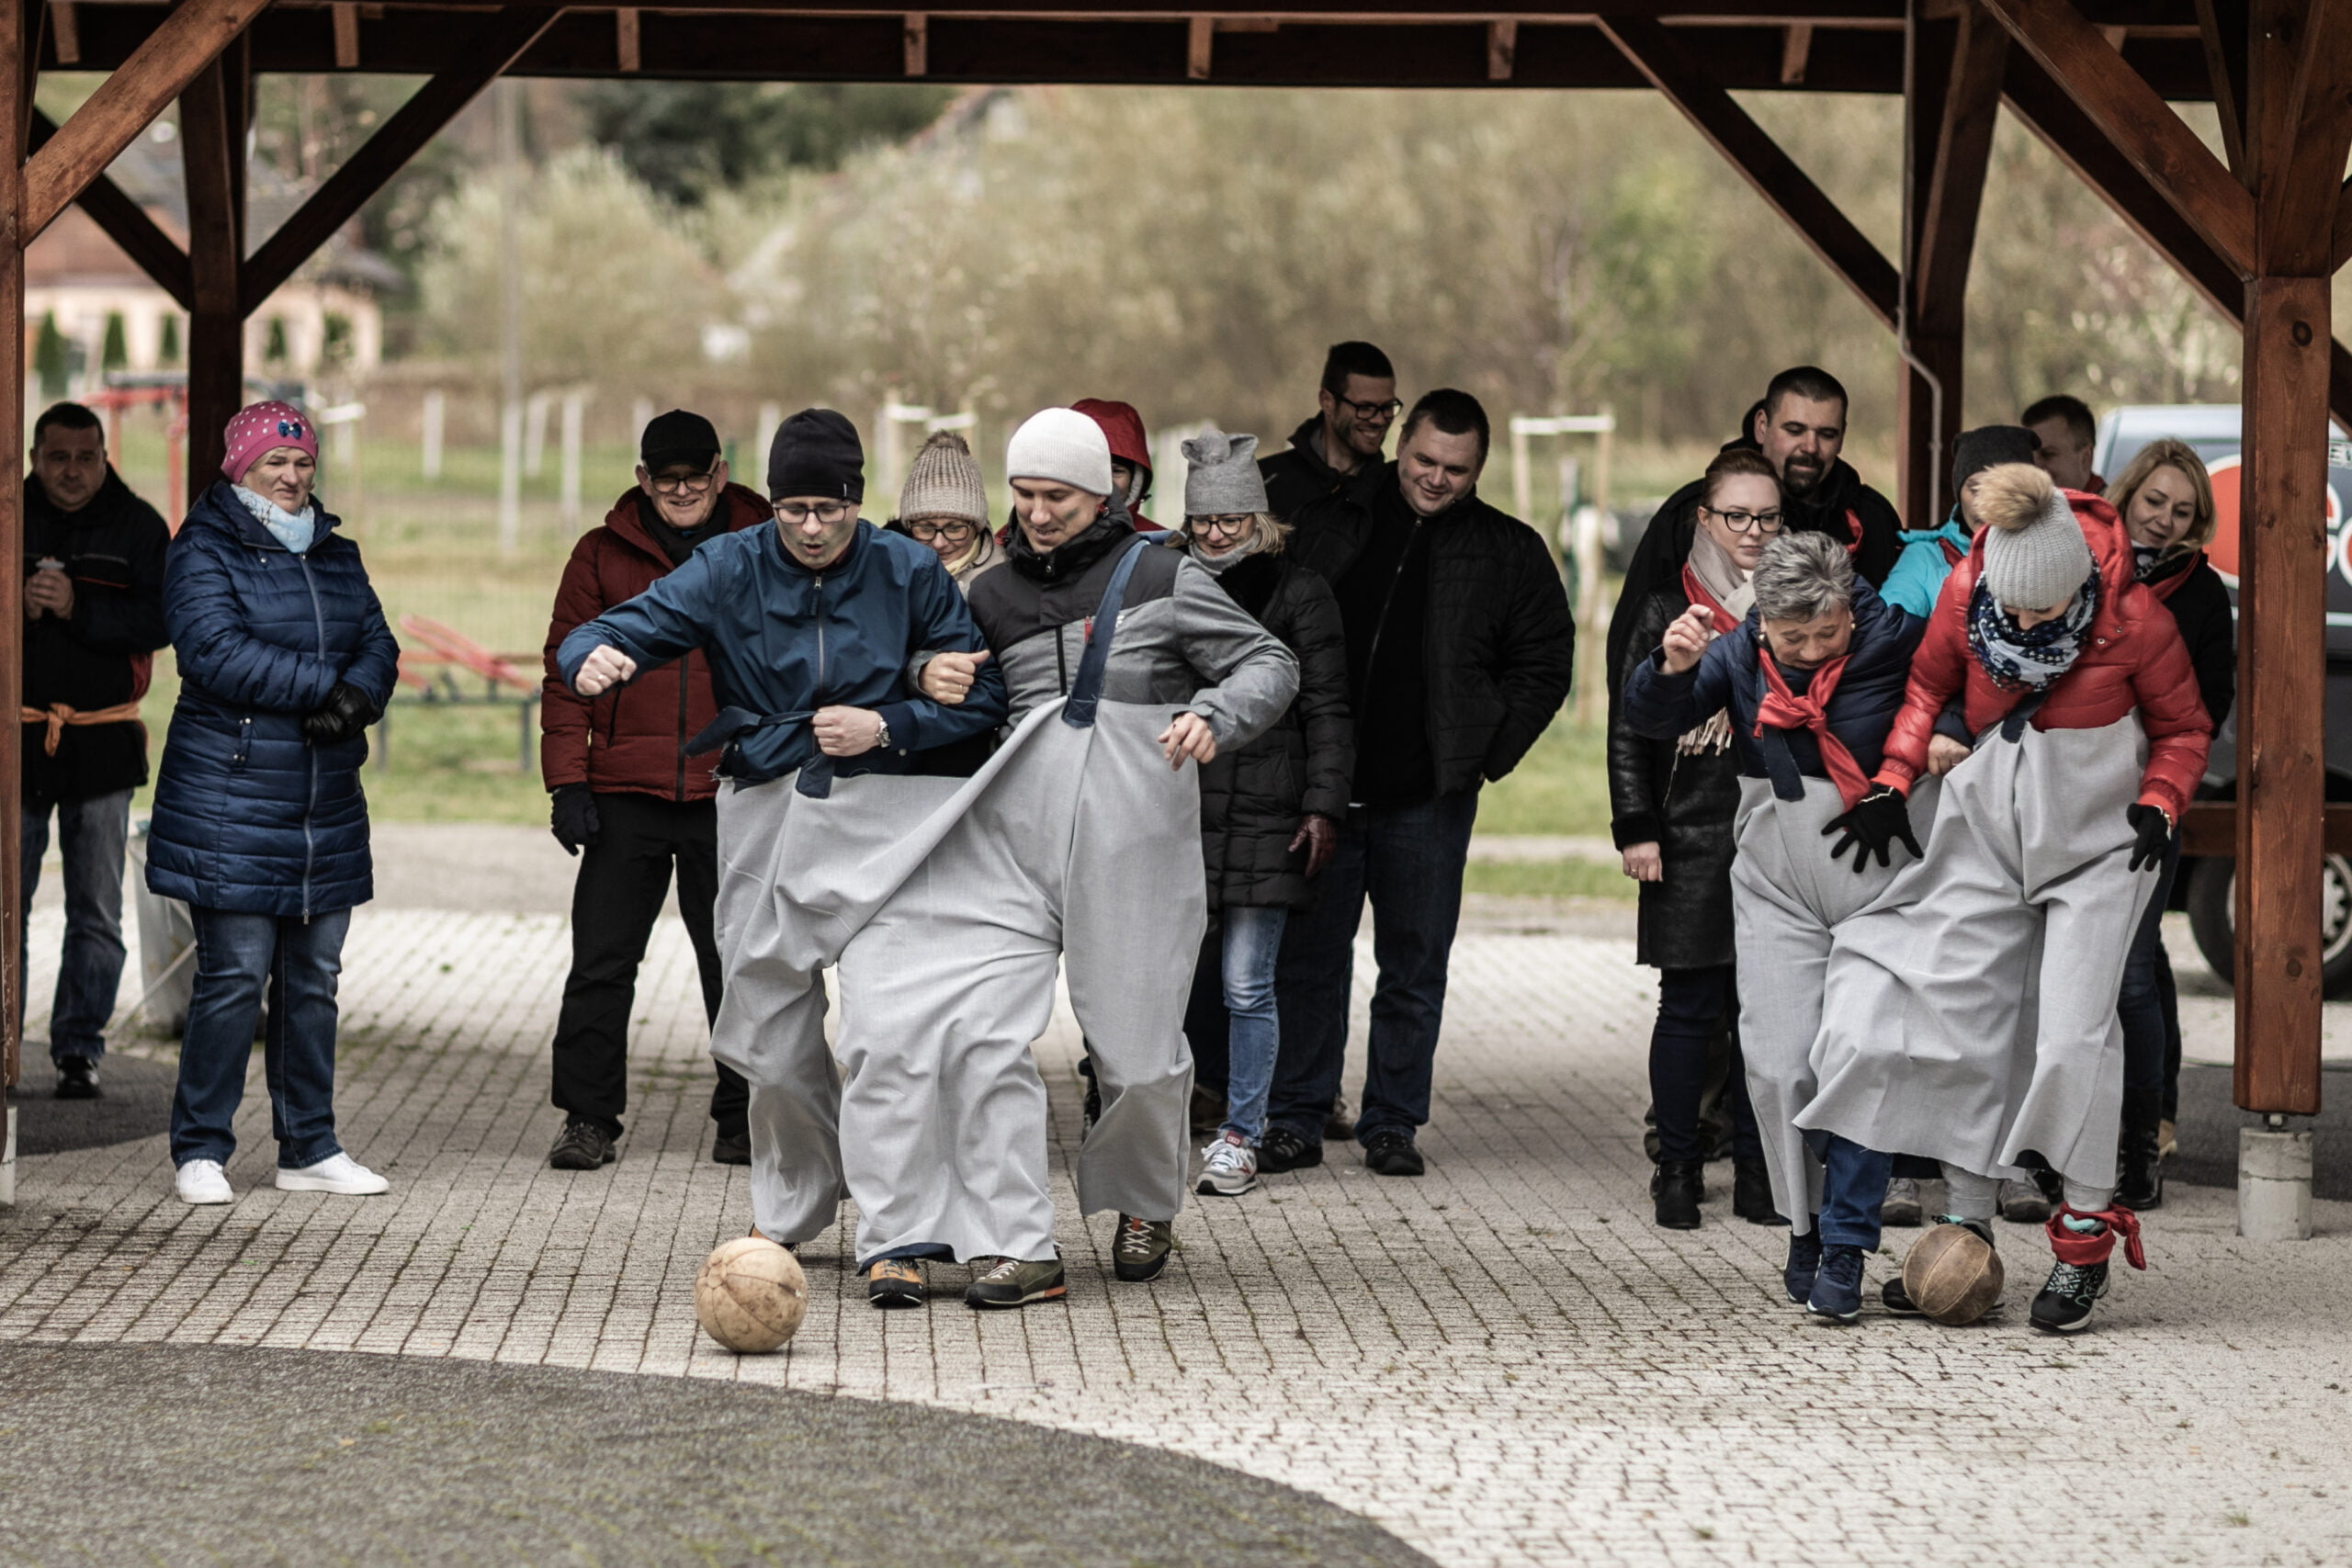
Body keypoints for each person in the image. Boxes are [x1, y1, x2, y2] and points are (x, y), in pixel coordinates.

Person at [559, 409, 1011, 1311]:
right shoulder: (726, 566)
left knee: (888, 1032)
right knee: (764, 1033)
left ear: (857, 503)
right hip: (765, 805)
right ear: (769, 505)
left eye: (829, 510)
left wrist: (889, 722)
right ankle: (800, 1201)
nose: (810, 528)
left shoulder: (907, 570)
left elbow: (984, 696)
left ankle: (898, 1232)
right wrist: (589, 660)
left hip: (888, 812)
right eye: (793, 508)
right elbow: (613, 628)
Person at [1798, 462, 2211, 1334]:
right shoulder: (1967, 584)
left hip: (2102, 843)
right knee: (1955, 1016)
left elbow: (2184, 728)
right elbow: (1928, 689)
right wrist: (1894, 776)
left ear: (2077, 593)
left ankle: (2085, 1239)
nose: (2020, 623)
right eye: (2008, 610)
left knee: (2072, 1037)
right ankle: (1966, 1216)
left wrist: (2161, 800)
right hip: (1992, 827)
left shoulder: (2137, 617)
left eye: (2039, 612)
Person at [920, 407, 1298, 1294]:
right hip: (1009, 847)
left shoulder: (1162, 573)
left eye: (1057, 495)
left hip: (1134, 842)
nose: (1038, 512)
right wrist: (922, 676)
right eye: (1023, 493)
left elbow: (1269, 663)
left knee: (1135, 1053)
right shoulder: (988, 591)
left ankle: (1142, 1202)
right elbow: (957, 702)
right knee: (980, 1040)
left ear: (1104, 492)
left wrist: (1213, 712)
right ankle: (1016, 1236)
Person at [1254, 389, 1575, 1179]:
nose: (1436, 479)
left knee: (1414, 964)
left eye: (1456, 470)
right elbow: (1276, 630)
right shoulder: (1336, 523)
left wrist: (1481, 755)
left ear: (1480, 470)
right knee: (1309, 959)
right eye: (1424, 460)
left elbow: (1546, 663)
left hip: (1429, 799)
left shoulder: (1510, 551)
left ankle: (1392, 1120)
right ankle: (1295, 1113)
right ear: (1401, 444)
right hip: (1326, 791)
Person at [1623, 532, 1930, 1317]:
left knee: (1862, 1054)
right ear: (1761, 620)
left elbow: (1956, 687)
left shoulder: (1891, 635)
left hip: (1878, 888)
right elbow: (1653, 718)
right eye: (1791, 637)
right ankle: (1806, 1222)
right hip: (1775, 888)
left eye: (1826, 633)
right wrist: (1671, 665)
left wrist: (1911, 767)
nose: (1810, 650)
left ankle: (1848, 1242)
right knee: (1780, 1066)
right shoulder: (1734, 656)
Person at [148, 401, 401, 1206]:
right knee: (234, 975)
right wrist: (326, 687)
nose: (291, 478)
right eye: (273, 465)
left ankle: (310, 1146)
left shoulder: (337, 551)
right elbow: (213, 652)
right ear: (240, 469)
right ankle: (200, 1147)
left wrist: (360, 695)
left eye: (301, 464)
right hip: (232, 797)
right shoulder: (202, 550)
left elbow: (380, 642)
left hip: (323, 800)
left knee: (314, 978)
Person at [538, 410, 764, 1173]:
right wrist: (568, 780)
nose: (680, 492)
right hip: (624, 789)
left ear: (720, 473)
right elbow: (564, 673)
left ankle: (745, 1116)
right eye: (664, 480)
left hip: (730, 787)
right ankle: (588, 1118)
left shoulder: (763, 545)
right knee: (601, 962)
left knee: (734, 960)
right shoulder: (600, 555)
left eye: (694, 479)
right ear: (641, 479)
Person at [1169, 432, 1352, 1198]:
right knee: (1166, 979)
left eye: (1234, 518)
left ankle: (1241, 1132)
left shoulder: (1300, 591)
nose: (1218, 532)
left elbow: (1328, 707)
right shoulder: (1166, 582)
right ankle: (1152, 1120)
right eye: (1206, 519)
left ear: (1260, 517)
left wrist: (1322, 805)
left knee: (1248, 982)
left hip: (1268, 810)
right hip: (1176, 803)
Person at [1609, 447, 1780, 1230]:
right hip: (1685, 825)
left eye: (1767, 517)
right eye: (1736, 515)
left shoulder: (1793, 601)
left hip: (1770, 821)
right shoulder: (1662, 606)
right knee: (1688, 1004)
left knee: (1761, 1009)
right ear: (1705, 519)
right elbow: (1628, 726)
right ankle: (1677, 1167)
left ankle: (1757, 1171)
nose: (1752, 530)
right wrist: (1637, 825)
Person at [17, 401, 169, 1100]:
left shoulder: (139, 525)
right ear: (34, 458)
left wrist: (79, 607)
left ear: (105, 455)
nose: (72, 471)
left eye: (86, 457)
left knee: (96, 909)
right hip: (14, 741)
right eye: (58, 458)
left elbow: (161, 621)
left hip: (103, 741)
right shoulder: (6, 516)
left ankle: (79, 1047)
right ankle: (4, 1043)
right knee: (4, 903)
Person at [1606, 367, 1904, 712]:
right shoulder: (1690, 513)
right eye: (1794, 430)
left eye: (1826, 434)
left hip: (1842, 729)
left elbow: (1891, 638)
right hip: (1695, 736)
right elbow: (1633, 649)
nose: (1809, 447)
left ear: (1842, 436)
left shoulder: (1871, 519)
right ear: (1762, 426)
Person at [2105, 439, 2232, 1210]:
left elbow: (2208, 706)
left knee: (2132, 970)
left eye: (2182, 511)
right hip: (2067, 796)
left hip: (2151, 799)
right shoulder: (2086, 566)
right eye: (2154, 501)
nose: (2163, 520)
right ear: (2126, 495)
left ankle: (2140, 1139)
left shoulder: (2201, 592)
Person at [1880, 425, 2038, 620]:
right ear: (1959, 494)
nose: (1987, 504)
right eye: (1976, 489)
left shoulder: (2056, 551)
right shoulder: (1926, 557)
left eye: (2004, 490)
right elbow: (1889, 630)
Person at [1260, 342, 1399, 521]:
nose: (1379, 420)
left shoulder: (1396, 495)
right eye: (1365, 407)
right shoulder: (1264, 484)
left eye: (1387, 407)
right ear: (1327, 402)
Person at [887, 430, 998, 591]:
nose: (939, 543)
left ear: (977, 527)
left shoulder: (1005, 583)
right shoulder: (884, 573)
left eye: (954, 528)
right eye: (925, 528)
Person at [1072, 399, 1161, 531]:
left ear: (1135, 481)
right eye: (1091, 467)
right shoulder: (1037, 538)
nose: (1105, 482)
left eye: (1116, 471)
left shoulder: (1161, 544)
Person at [2023, 394, 2103, 494]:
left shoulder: (2114, 507)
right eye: (2028, 456)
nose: (2035, 467)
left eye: (2047, 454)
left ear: (2085, 458)